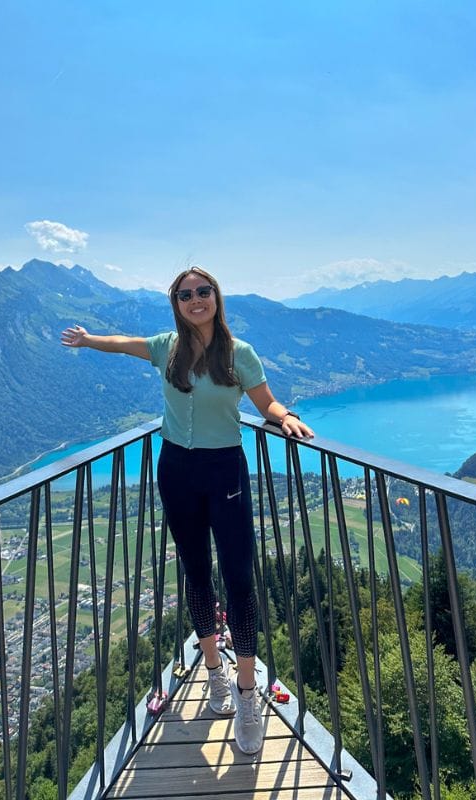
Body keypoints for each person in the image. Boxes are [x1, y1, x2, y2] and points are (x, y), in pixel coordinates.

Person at [61, 266, 314, 754]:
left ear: (217, 297)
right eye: (185, 294)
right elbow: (122, 343)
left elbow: (267, 403)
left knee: (239, 579)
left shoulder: (239, 354)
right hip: (175, 469)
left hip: (224, 472)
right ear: (175, 303)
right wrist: (90, 339)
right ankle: (214, 676)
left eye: (203, 292)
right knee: (196, 575)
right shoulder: (166, 348)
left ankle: (246, 695)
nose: (195, 299)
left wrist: (287, 420)